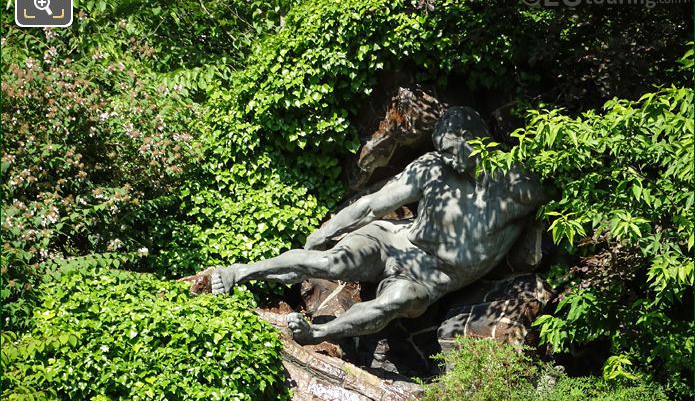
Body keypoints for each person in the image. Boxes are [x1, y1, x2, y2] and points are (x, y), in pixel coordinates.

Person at [212, 107, 550, 344]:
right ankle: (238, 273)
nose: (445, 157)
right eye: (440, 151)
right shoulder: (433, 168)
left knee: (394, 302)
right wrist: (324, 233)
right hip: (393, 240)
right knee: (328, 261)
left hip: (429, 276)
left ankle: (317, 334)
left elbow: (562, 184)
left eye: (449, 149)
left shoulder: (516, 187)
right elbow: (371, 206)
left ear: (472, 138)